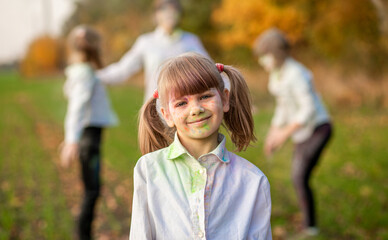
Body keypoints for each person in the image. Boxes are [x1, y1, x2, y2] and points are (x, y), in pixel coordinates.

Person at [130, 52, 272, 240]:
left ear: (225, 99)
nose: (196, 109)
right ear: (167, 115)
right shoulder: (148, 169)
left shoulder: (253, 181)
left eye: (205, 96)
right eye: (181, 103)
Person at [253, 28, 333, 236]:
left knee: (299, 176)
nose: (261, 62)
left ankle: (310, 227)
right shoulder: (276, 75)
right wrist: (273, 133)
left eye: (264, 56)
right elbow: (283, 106)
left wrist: (284, 134)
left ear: (277, 54)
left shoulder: (296, 73)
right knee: (299, 177)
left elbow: (308, 109)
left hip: (318, 129)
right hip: (303, 132)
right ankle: (309, 223)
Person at [60, 25, 118, 240]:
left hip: (87, 136)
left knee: (91, 189)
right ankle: (83, 236)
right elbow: (77, 106)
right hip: (88, 138)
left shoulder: (82, 70)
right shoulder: (85, 73)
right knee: (92, 190)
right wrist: (71, 141)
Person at [96, 0, 210, 102]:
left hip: (184, 107)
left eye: (173, 10)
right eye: (164, 10)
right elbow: (123, 69)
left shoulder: (191, 40)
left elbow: (209, 69)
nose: (169, 14)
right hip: (155, 108)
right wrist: (96, 77)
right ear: (156, 15)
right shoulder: (146, 42)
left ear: (180, 14)